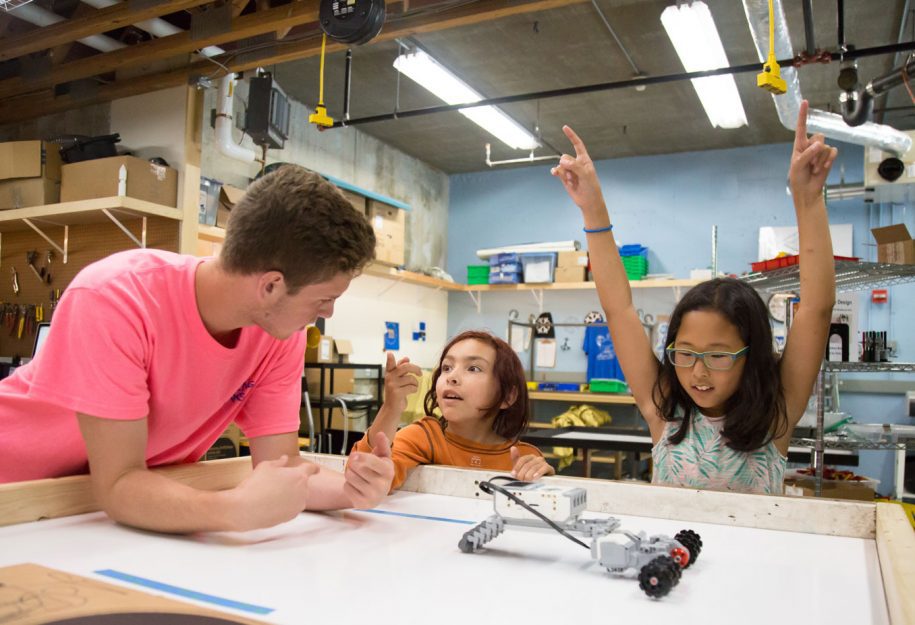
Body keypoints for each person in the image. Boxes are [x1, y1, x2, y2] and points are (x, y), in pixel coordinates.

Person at [0, 165, 395, 532]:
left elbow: (282, 467)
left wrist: (351, 489)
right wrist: (234, 510)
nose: (326, 312)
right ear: (271, 285)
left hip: (93, 511)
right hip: (15, 489)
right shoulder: (116, 298)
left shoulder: (279, 333)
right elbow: (119, 483)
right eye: (323, 299)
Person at [551, 100, 837, 494]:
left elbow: (817, 310)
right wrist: (594, 211)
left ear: (750, 355)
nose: (698, 373)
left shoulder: (776, 415)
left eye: (718, 356)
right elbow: (619, 310)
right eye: (685, 353)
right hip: (670, 557)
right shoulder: (665, 411)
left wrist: (807, 200)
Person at [352, 330, 554, 490]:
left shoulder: (524, 456)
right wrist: (391, 407)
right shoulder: (424, 437)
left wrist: (547, 480)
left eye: (473, 368)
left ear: (508, 396)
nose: (451, 377)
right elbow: (363, 480)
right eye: (447, 367)